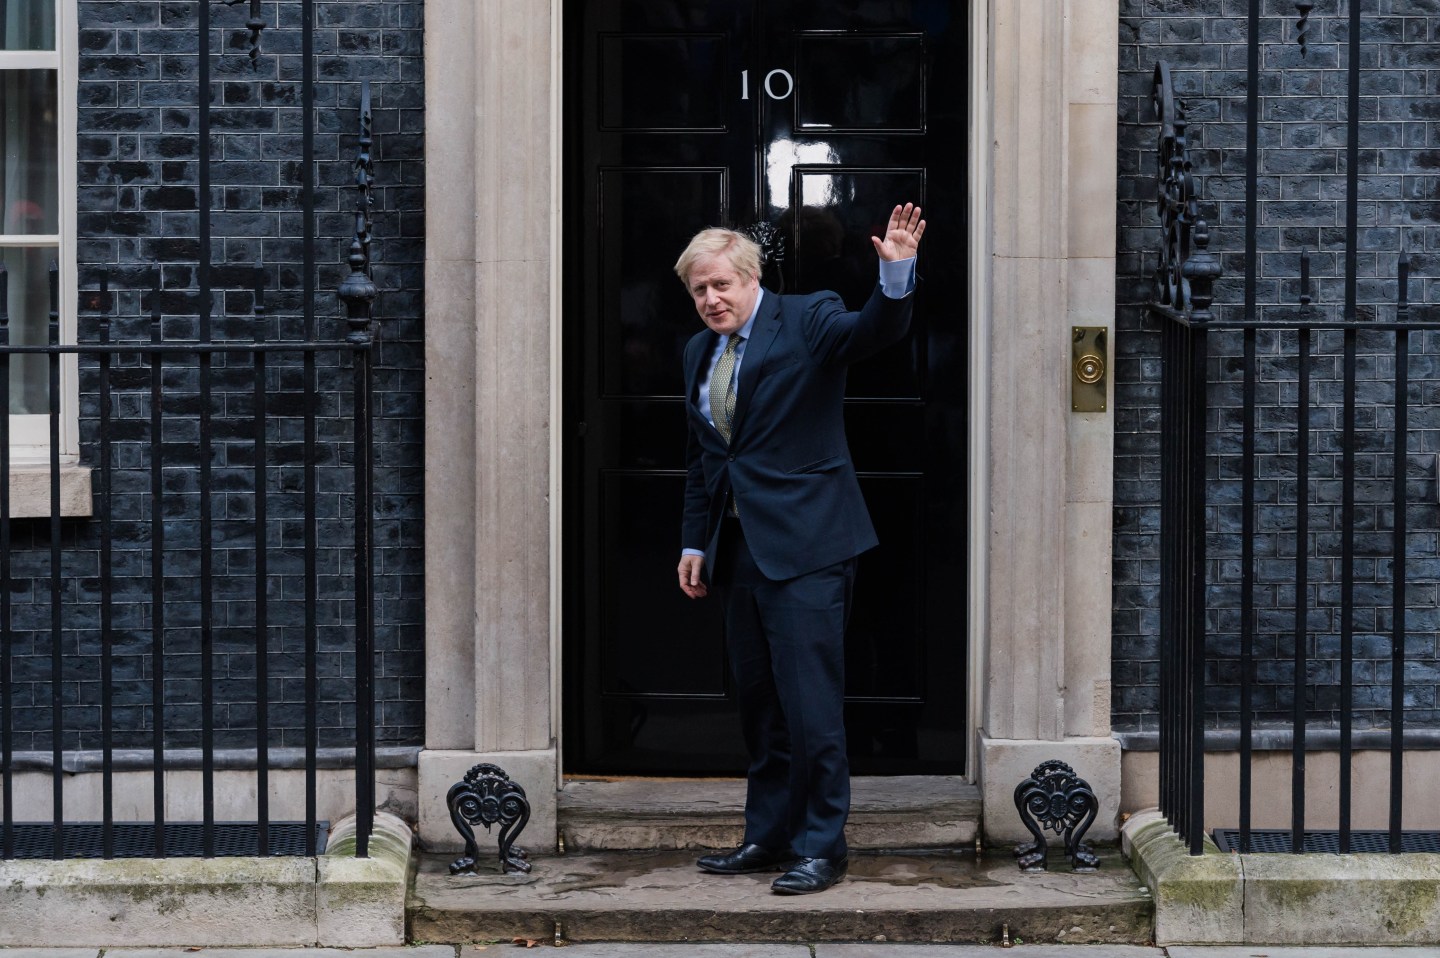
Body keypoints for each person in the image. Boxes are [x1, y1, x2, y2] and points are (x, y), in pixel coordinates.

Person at [675, 203, 925, 895]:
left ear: (752, 278)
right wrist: (695, 541)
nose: (711, 299)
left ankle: (822, 846)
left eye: (721, 284)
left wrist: (896, 273)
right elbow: (705, 460)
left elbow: (874, 332)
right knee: (760, 705)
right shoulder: (699, 352)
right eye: (699, 289)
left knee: (810, 705)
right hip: (739, 551)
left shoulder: (809, 316)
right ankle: (769, 835)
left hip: (810, 544)